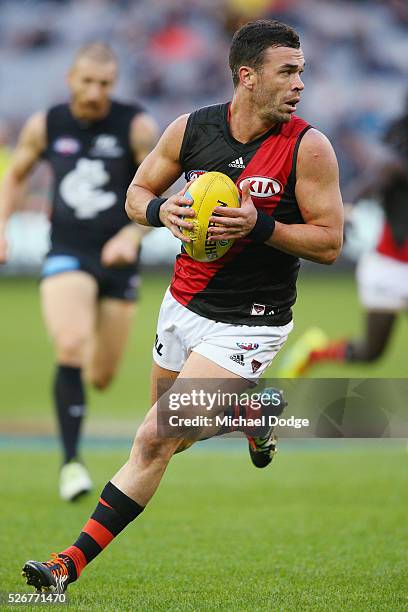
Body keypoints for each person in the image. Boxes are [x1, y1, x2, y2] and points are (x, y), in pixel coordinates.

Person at [21, 19, 343, 593]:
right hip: (183, 303)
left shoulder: (307, 147)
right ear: (247, 76)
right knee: (173, 435)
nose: (299, 83)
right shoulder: (192, 130)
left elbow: (330, 242)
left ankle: (65, 566)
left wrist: (260, 225)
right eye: (287, 71)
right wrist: (158, 213)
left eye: (301, 71)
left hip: (251, 321)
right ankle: (252, 413)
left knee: (154, 440)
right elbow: (137, 193)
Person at [0, 42, 158, 501]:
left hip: (118, 260)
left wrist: (132, 237)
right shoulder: (47, 124)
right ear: (70, 78)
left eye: (104, 84)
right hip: (67, 252)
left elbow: (160, 185)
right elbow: (16, 174)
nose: (94, 92)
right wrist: (3, 226)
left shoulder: (135, 125)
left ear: (115, 84)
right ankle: (71, 463)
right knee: (70, 344)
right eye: (87, 81)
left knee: (103, 375)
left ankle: (76, 381)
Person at [278, 106, 408, 377]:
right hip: (390, 269)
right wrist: (345, 211)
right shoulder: (394, 165)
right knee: (370, 352)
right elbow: (362, 188)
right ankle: (315, 354)